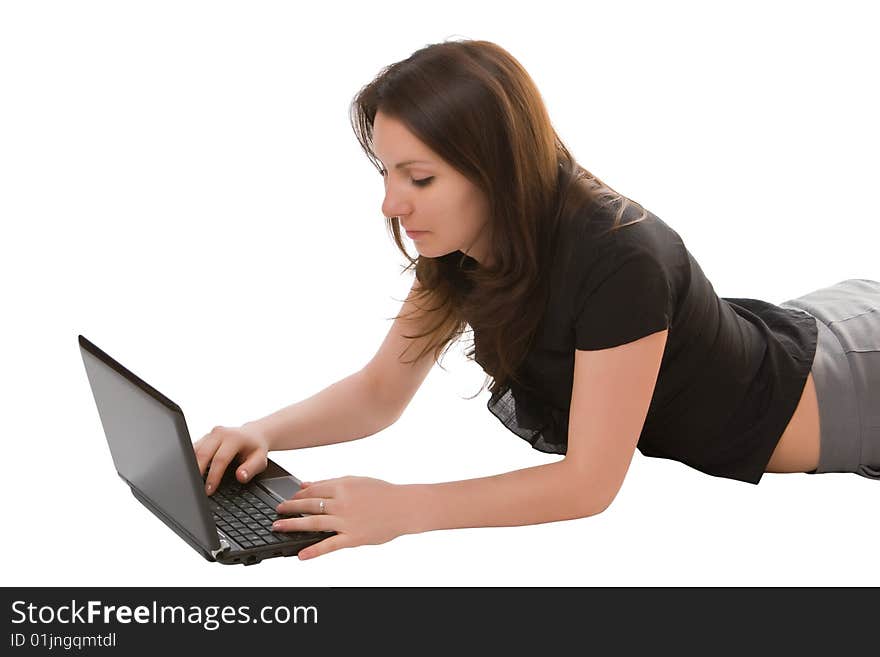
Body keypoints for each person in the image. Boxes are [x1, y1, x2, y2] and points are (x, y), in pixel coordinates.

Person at [192, 39, 880, 561]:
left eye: (419, 177)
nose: (392, 202)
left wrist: (401, 508)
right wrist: (265, 433)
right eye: (388, 171)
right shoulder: (470, 242)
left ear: (493, 167)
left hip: (856, 387)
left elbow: (588, 484)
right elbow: (380, 389)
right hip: (813, 328)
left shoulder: (621, 259)